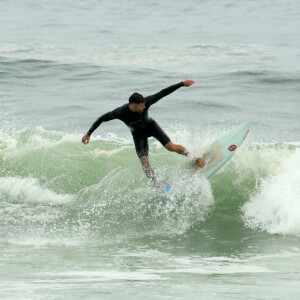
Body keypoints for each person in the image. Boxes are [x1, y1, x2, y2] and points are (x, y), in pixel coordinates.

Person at [82, 80, 205, 187]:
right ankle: (157, 185)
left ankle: (195, 157)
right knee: (145, 164)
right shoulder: (120, 112)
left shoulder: (146, 102)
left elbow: (163, 92)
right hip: (138, 135)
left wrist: (182, 84)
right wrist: (88, 133)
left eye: (144, 105)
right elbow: (102, 118)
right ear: (133, 105)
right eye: (141, 106)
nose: (143, 107)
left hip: (151, 127)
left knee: (170, 147)